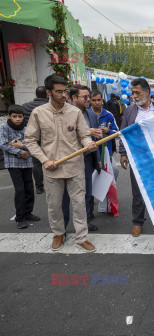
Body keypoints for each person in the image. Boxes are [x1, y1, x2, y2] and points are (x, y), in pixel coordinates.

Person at [25, 75, 97, 252]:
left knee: (79, 203)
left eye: (64, 91)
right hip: (52, 168)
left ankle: (81, 237)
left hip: (75, 166)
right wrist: (44, 160)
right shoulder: (39, 113)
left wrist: (88, 143)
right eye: (59, 91)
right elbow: (31, 140)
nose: (63, 94)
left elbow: (84, 135)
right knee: (54, 205)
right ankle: (58, 234)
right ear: (48, 92)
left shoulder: (75, 112)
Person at [119, 78, 154, 237]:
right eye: (133, 93)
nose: (134, 96)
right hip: (136, 158)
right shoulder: (130, 111)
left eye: (137, 92)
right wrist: (123, 153)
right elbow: (123, 133)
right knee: (138, 191)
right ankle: (137, 222)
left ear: (147, 92)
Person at [62, 85, 102, 231]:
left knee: (86, 192)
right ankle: (62, 228)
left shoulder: (91, 114)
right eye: (84, 97)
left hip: (87, 158)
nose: (88, 99)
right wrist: (85, 132)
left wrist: (97, 157)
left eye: (88, 96)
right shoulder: (64, 113)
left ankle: (85, 221)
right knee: (66, 196)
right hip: (69, 159)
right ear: (73, 98)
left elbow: (94, 140)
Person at [0, 105, 40, 229]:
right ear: (9, 117)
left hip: (27, 162)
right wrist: (20, 151)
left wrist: (20, 146)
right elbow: (3, 144)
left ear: (23, 117)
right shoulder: (4, 127)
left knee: (29, 188)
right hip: (13, 163)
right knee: (20, 189)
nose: (17, 119)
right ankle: (20, 218)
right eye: (15, 116)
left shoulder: (26, 128)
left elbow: (32, 143)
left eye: (20, 116)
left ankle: (28, 212)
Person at [91, 91, 119, 214]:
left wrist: (108, 131)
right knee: (90, 178)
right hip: (90, 152)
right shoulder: (86, 114)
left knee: (113, 172)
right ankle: (89, 206)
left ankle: (106, 204)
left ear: (102, 101)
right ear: (90, 101)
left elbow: (117, 132)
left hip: (106, 152)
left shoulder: (108, 115)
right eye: (94, 100)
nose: (97, 103)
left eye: (99, 100)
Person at [22, 86, 49, 194]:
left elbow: (23, 123)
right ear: (47, 94)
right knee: (49, 160)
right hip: (47, 138)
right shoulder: (47, 107)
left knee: (37, 163)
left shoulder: (25, 106)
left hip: (33, 137)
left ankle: (39, 187)